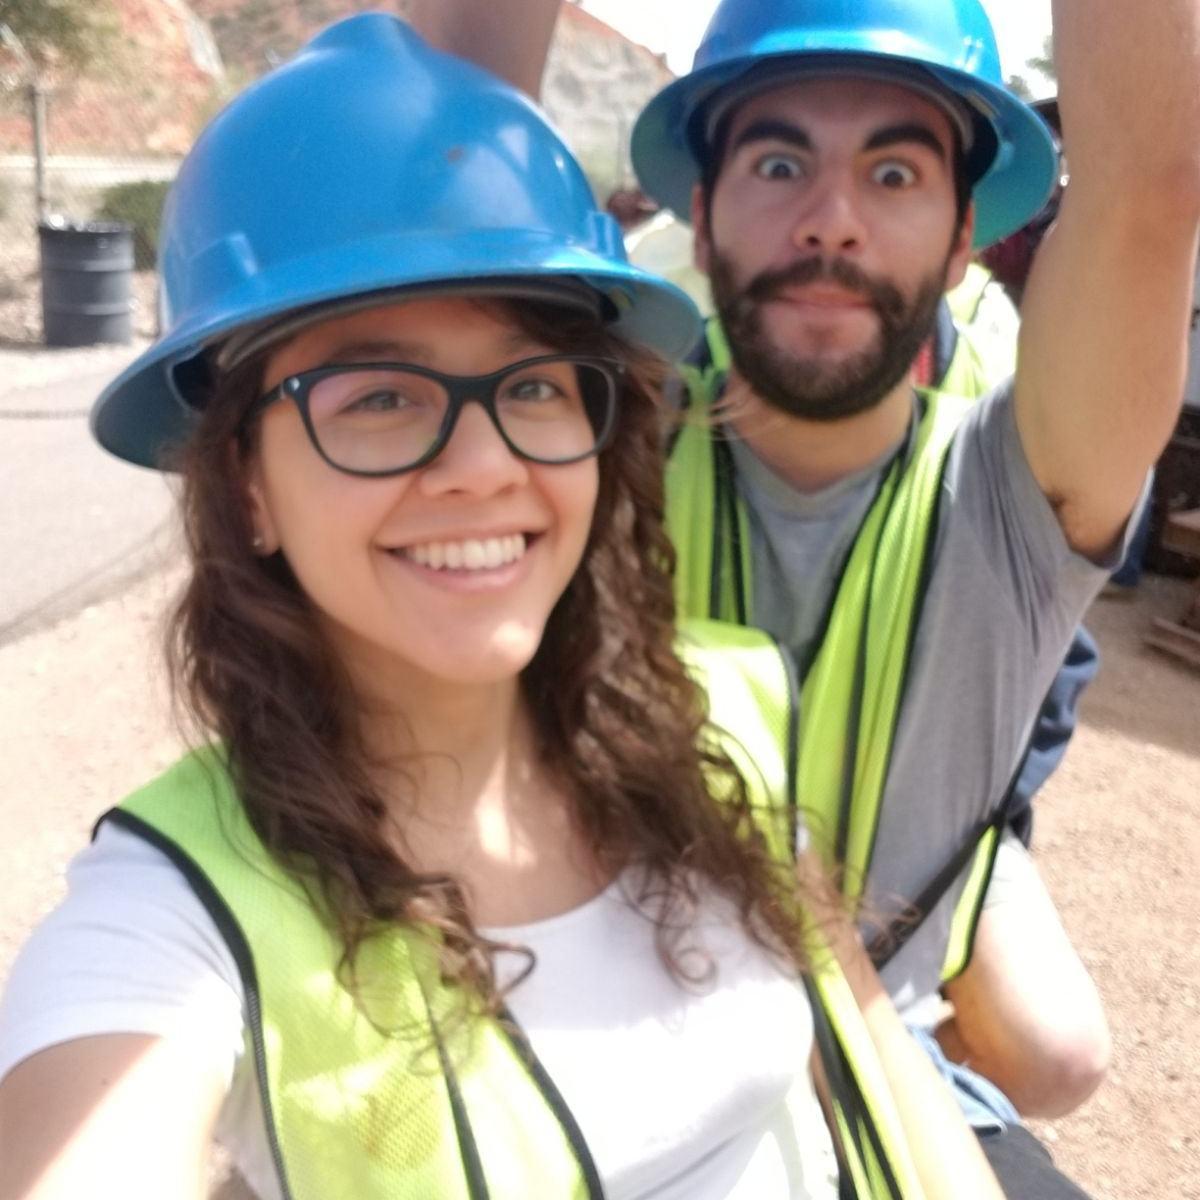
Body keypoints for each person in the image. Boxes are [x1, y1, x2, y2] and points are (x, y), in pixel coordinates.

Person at [0, 16, 1005, 1200]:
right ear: (244, 483)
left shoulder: (724, 702)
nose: (483, 465)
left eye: (533, 383)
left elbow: (870, 1055)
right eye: (375, 396)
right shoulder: (179, 911)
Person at [412, 0, 1200, 1193]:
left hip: (875, 1073)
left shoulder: (1020, 487)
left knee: (1056, 1058)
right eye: (779, 162)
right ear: (704, 216)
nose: (831, 221)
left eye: (894, 170)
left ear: (960, 243)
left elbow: (1149, 190)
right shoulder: (582, 452)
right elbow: (436, 210)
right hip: (583, 1065)